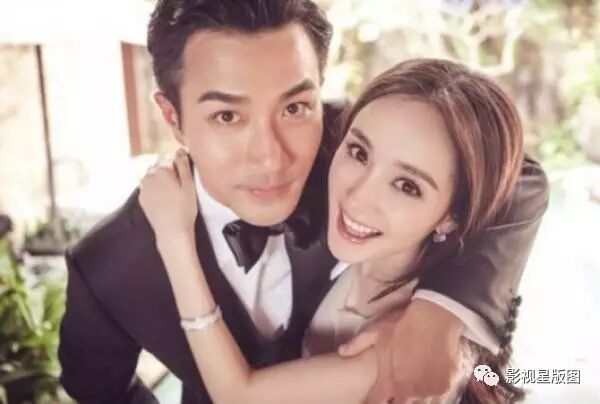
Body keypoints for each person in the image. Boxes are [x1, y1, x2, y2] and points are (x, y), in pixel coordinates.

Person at [58, 1, 549, 403]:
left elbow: (513, 175)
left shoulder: (354, 149)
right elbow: (98, 392)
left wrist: (438, 313)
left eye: (295, 107)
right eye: (227, 116)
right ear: (173, 117)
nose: (271, 157)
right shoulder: (107, 267)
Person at [139, 58, 529, 403]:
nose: (358, 196)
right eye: (359, 153)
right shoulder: (361, 267)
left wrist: (174, 237)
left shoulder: (398, 350)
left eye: (407, 185)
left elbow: (238, 396)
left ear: (451, 217)